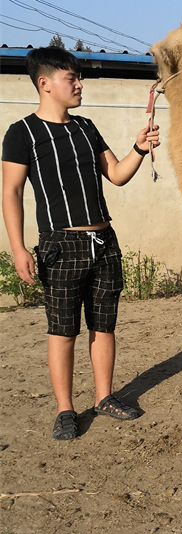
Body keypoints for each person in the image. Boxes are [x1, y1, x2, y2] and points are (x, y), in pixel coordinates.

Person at [1, 46, 160, 440]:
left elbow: (118, 175)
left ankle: (104, 398)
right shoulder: (22, 133)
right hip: (60, 245)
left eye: (78, 77)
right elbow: (11, 193)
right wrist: (19, 248)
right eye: (71, 78)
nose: (79, 84)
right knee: (62, 330)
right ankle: (66, 409)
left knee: (104, 326)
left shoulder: (86, 128)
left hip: (104, 242)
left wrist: (139, 148)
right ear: (45, 83)